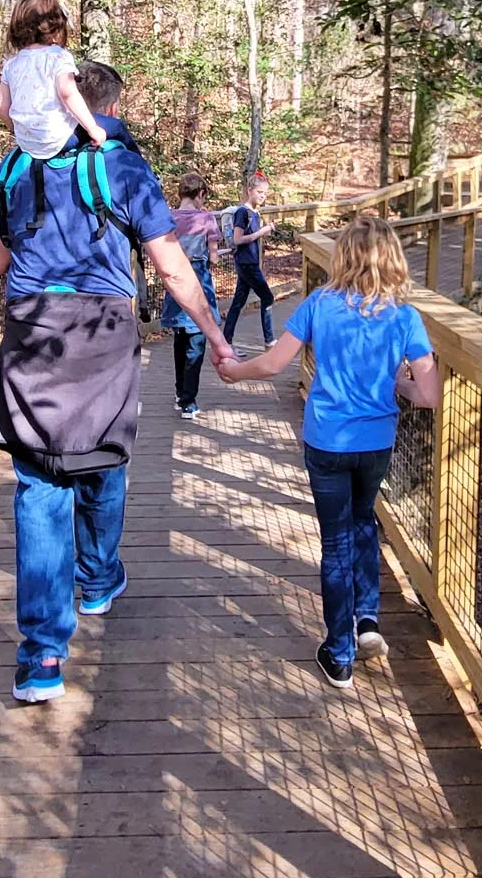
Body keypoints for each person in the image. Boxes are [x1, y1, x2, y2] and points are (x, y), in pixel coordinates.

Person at [0, 60, 234, 703]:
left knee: (38, 484)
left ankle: (42, 658)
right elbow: (173, 268)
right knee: (104, 459)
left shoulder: (15, 166)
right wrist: (213, 332)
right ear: (106, 106)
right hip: (101, 332)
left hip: (32, 327)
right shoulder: (122, 166)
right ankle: (96, 581)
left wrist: (36, 277)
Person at [215, 215, 440, 689]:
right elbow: (428, 395)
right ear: (393, 259)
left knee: (337, 538)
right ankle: (368, 619)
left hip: (326, 440)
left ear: (344, 257)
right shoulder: (404, 316)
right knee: (364, 521)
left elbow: (275, 363)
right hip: (375, 442)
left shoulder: (320, 304)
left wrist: (234, 372)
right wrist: (394, 381)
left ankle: (339, 653)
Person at [0, 0, 108, 159]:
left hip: (26, 143)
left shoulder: (11, 64)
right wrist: (92, 128)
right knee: (116, 127)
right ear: (55, 27)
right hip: (59, 139)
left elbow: (1, 108)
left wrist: (22, 133)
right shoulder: (58, 57)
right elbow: (67, 93)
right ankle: (146, 177)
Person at [162, 172, 222, 421]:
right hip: (199, 281)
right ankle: (189, 401)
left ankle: (180, 393)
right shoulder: (207, 218)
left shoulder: (168, 218)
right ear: (201, 194)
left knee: (180, 338)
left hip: (175, 280)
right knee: (196, 340)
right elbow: (215, 257)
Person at [222, 172, 277, 350]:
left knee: (238, 302)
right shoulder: (242, 212)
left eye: (265, 193)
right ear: (249, 190)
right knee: (267, 297)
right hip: (246, 263)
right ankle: (269, 340)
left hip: (249, 262)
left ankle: (226, 341)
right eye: (259, 192)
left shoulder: (255, 213)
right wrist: (263, 231)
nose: (262, 196)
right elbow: (238, 239)